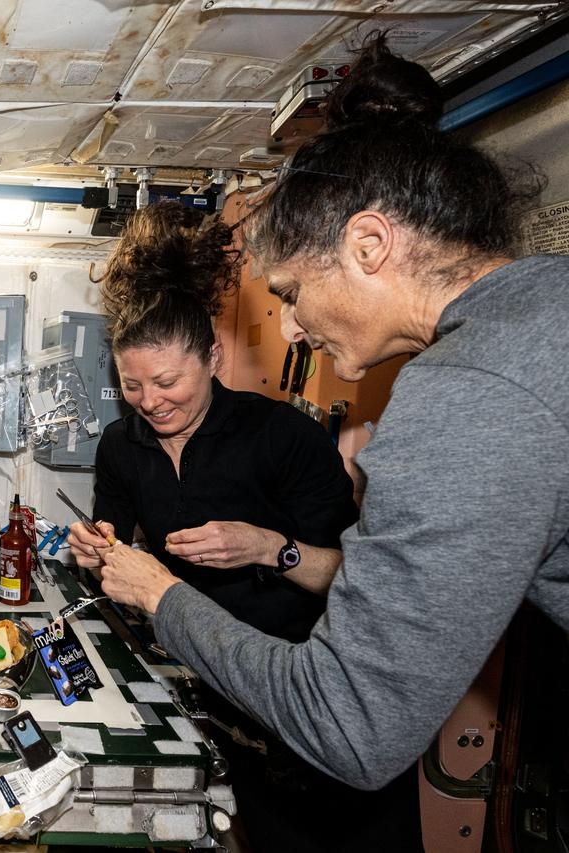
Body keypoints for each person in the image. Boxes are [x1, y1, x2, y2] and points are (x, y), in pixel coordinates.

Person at [94, 31, 569, 798]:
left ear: (370, 244)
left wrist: (162, 597)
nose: (288, 327)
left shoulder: (467, 391)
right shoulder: (548, 299)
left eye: (290, 292)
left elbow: (346, 724)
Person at [68, 200, 421, 851]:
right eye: (132, 386)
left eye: (167, 381)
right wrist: (95, 553)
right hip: (224, 711)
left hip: (319, 716)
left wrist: (269, 548)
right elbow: (110, 548)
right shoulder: (121, 445)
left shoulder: (282, 436)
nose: (151, 402)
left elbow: (361, 582)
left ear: (211, 357)